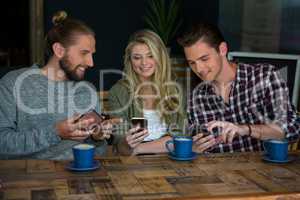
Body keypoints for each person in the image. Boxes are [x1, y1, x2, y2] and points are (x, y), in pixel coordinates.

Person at [0, 11, 115, 159]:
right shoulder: (13, 83)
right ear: (59, 50)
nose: (91, 63)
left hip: (82, 178)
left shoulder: (87, 90)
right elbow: (2, 144)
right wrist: (55, 133)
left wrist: (97, 137)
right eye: (84, 53)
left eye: (92, 54)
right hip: (30, 178)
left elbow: (98, 153)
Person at [177, 22, 300, 153]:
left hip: (260, 171)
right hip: (213, 171)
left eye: (204, 59)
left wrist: (245, 129)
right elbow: (192, 142)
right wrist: (193, 149)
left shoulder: (264, 76)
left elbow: (293, 129)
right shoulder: (197, 97)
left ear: (222, 49)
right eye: (192, 63)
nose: (199, 69)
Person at [108, 29, 185, 155]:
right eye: (137, 57)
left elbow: (180, 137)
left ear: (160, 57)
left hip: (170, 159)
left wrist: (138, 148)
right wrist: (126, 143)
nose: (144, 63)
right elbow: (120, 144)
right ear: (130, 61)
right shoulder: (118, 92)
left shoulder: (175, 89)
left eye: (150, 56)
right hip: (133, 163)